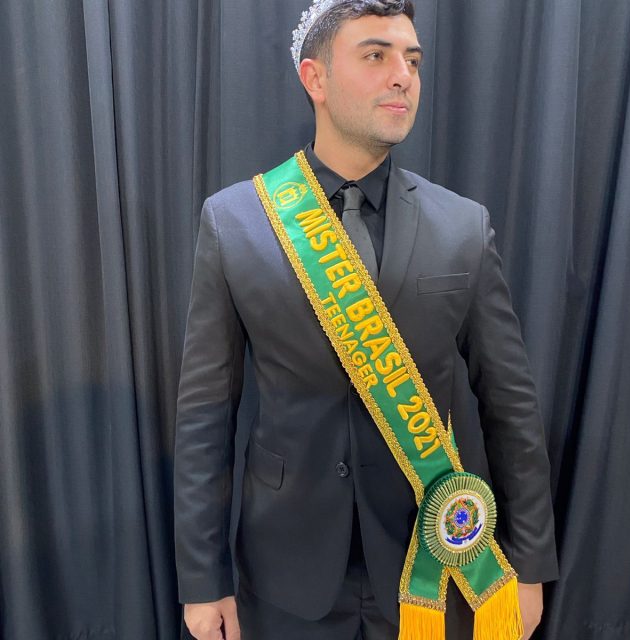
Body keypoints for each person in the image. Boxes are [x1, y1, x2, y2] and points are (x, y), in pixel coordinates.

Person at [173, 1, 559, 639]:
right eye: (375, 55)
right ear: (315, 79)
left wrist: (530, 564)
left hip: (432, 564)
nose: (402, 75)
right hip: (284, 569)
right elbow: (205, 416)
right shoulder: (236, 221)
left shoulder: (462, 226)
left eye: (413, 60)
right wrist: (202, 579)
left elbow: (511, 406)